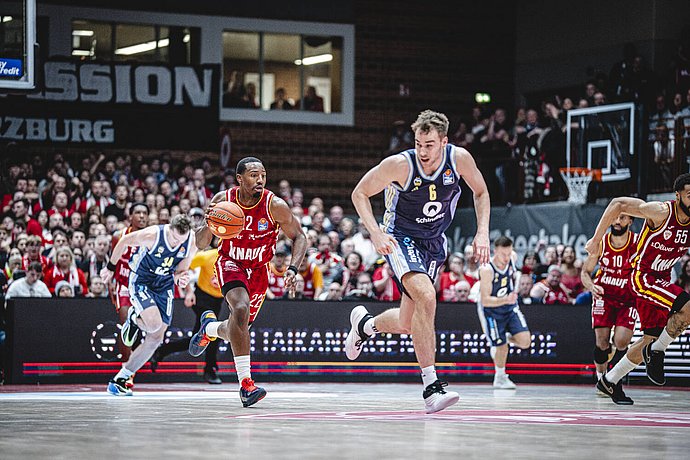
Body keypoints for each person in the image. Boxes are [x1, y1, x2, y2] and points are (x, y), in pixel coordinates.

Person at [344, 109, 491, 413]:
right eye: (418, 144)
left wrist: (482, 233)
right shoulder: (400, 164)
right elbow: (359, 193)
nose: (423, 151)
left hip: (434, 241)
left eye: (429, 145)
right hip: (400, 237)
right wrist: (376, 233)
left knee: (406, 323)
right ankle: (431, 388)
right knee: (426, 295)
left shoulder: (459, 159)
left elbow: (480, 192)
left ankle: (365, 326)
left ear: (444, 142)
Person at [188, 157, 307, 408]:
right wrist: (209, 223)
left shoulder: (275, 205)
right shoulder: (223, 200)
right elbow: (200, 243)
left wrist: (293, 268)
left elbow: (300, 237)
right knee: (240, 309)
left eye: (263, 175)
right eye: (254, 175)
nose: (260, 180)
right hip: (230, 263)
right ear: (239, 179)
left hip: (259, 270)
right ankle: (246, 385)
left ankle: (210, 328)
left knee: (237, 328)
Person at [586, 173, 690, 404]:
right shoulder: (661, 212)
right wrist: (596, 239)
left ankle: (610, 380)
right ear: (678, 196)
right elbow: (618, 204)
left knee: (649, 339)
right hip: (642, 277)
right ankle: (657, 351)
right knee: (688, 309)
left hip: (662, 278)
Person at [101, 214, 196, 396]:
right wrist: (110, 268)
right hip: (142, 280)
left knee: (156, 338)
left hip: (164, 284)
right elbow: (124, 241)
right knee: (153, 325)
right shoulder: (153, 234)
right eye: (174, 239)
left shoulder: (191, 241)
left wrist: (181, 279)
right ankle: (134, 319)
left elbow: (180, 271)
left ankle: (120, 379)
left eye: (181, 240)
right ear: (169, 229)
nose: (177, 244)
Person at [150, 245, 225, 384]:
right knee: (211, 332)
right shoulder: (207, 256)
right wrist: (189, 291)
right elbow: (181, 269)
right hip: (201, 298)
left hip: (218, 301)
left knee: (199, 338)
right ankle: (210, 370)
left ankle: (162, 351)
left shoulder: (236, 260)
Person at [581, 213, 638, 389]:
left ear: (630, 221)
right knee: (601, 342)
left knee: (621, 342)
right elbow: (585, 273)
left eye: (622, 218)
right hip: (604, 296)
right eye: (615, 217)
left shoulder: (638, 243)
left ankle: (614, 373)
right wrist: (591, 286)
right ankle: (601, 379)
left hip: (628, 299)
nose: (617, 221)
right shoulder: (601, 243)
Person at [477, 236, 531, 389]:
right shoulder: (487, 269)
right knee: (501, 346)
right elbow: (485, 300)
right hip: (491, 311)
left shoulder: (512, 258)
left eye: (509, 253)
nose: (506, 258)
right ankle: (500, 378)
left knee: (525, 342)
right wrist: (506, 299)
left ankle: (504, 338)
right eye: (503, 254)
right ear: (495, 252)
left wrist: (509, 299)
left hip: (510, 308)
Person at [109, 202, 149, 387]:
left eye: (144, 213)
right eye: (137, 212)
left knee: (148, 328)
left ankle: (133, 365)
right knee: (126, 324)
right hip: (124, 284)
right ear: (130, 216)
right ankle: (126, 370)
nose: (141, 216)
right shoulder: (118, 236)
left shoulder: (152, 236)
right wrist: (110, 284)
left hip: (143, 286)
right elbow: (112, 261)